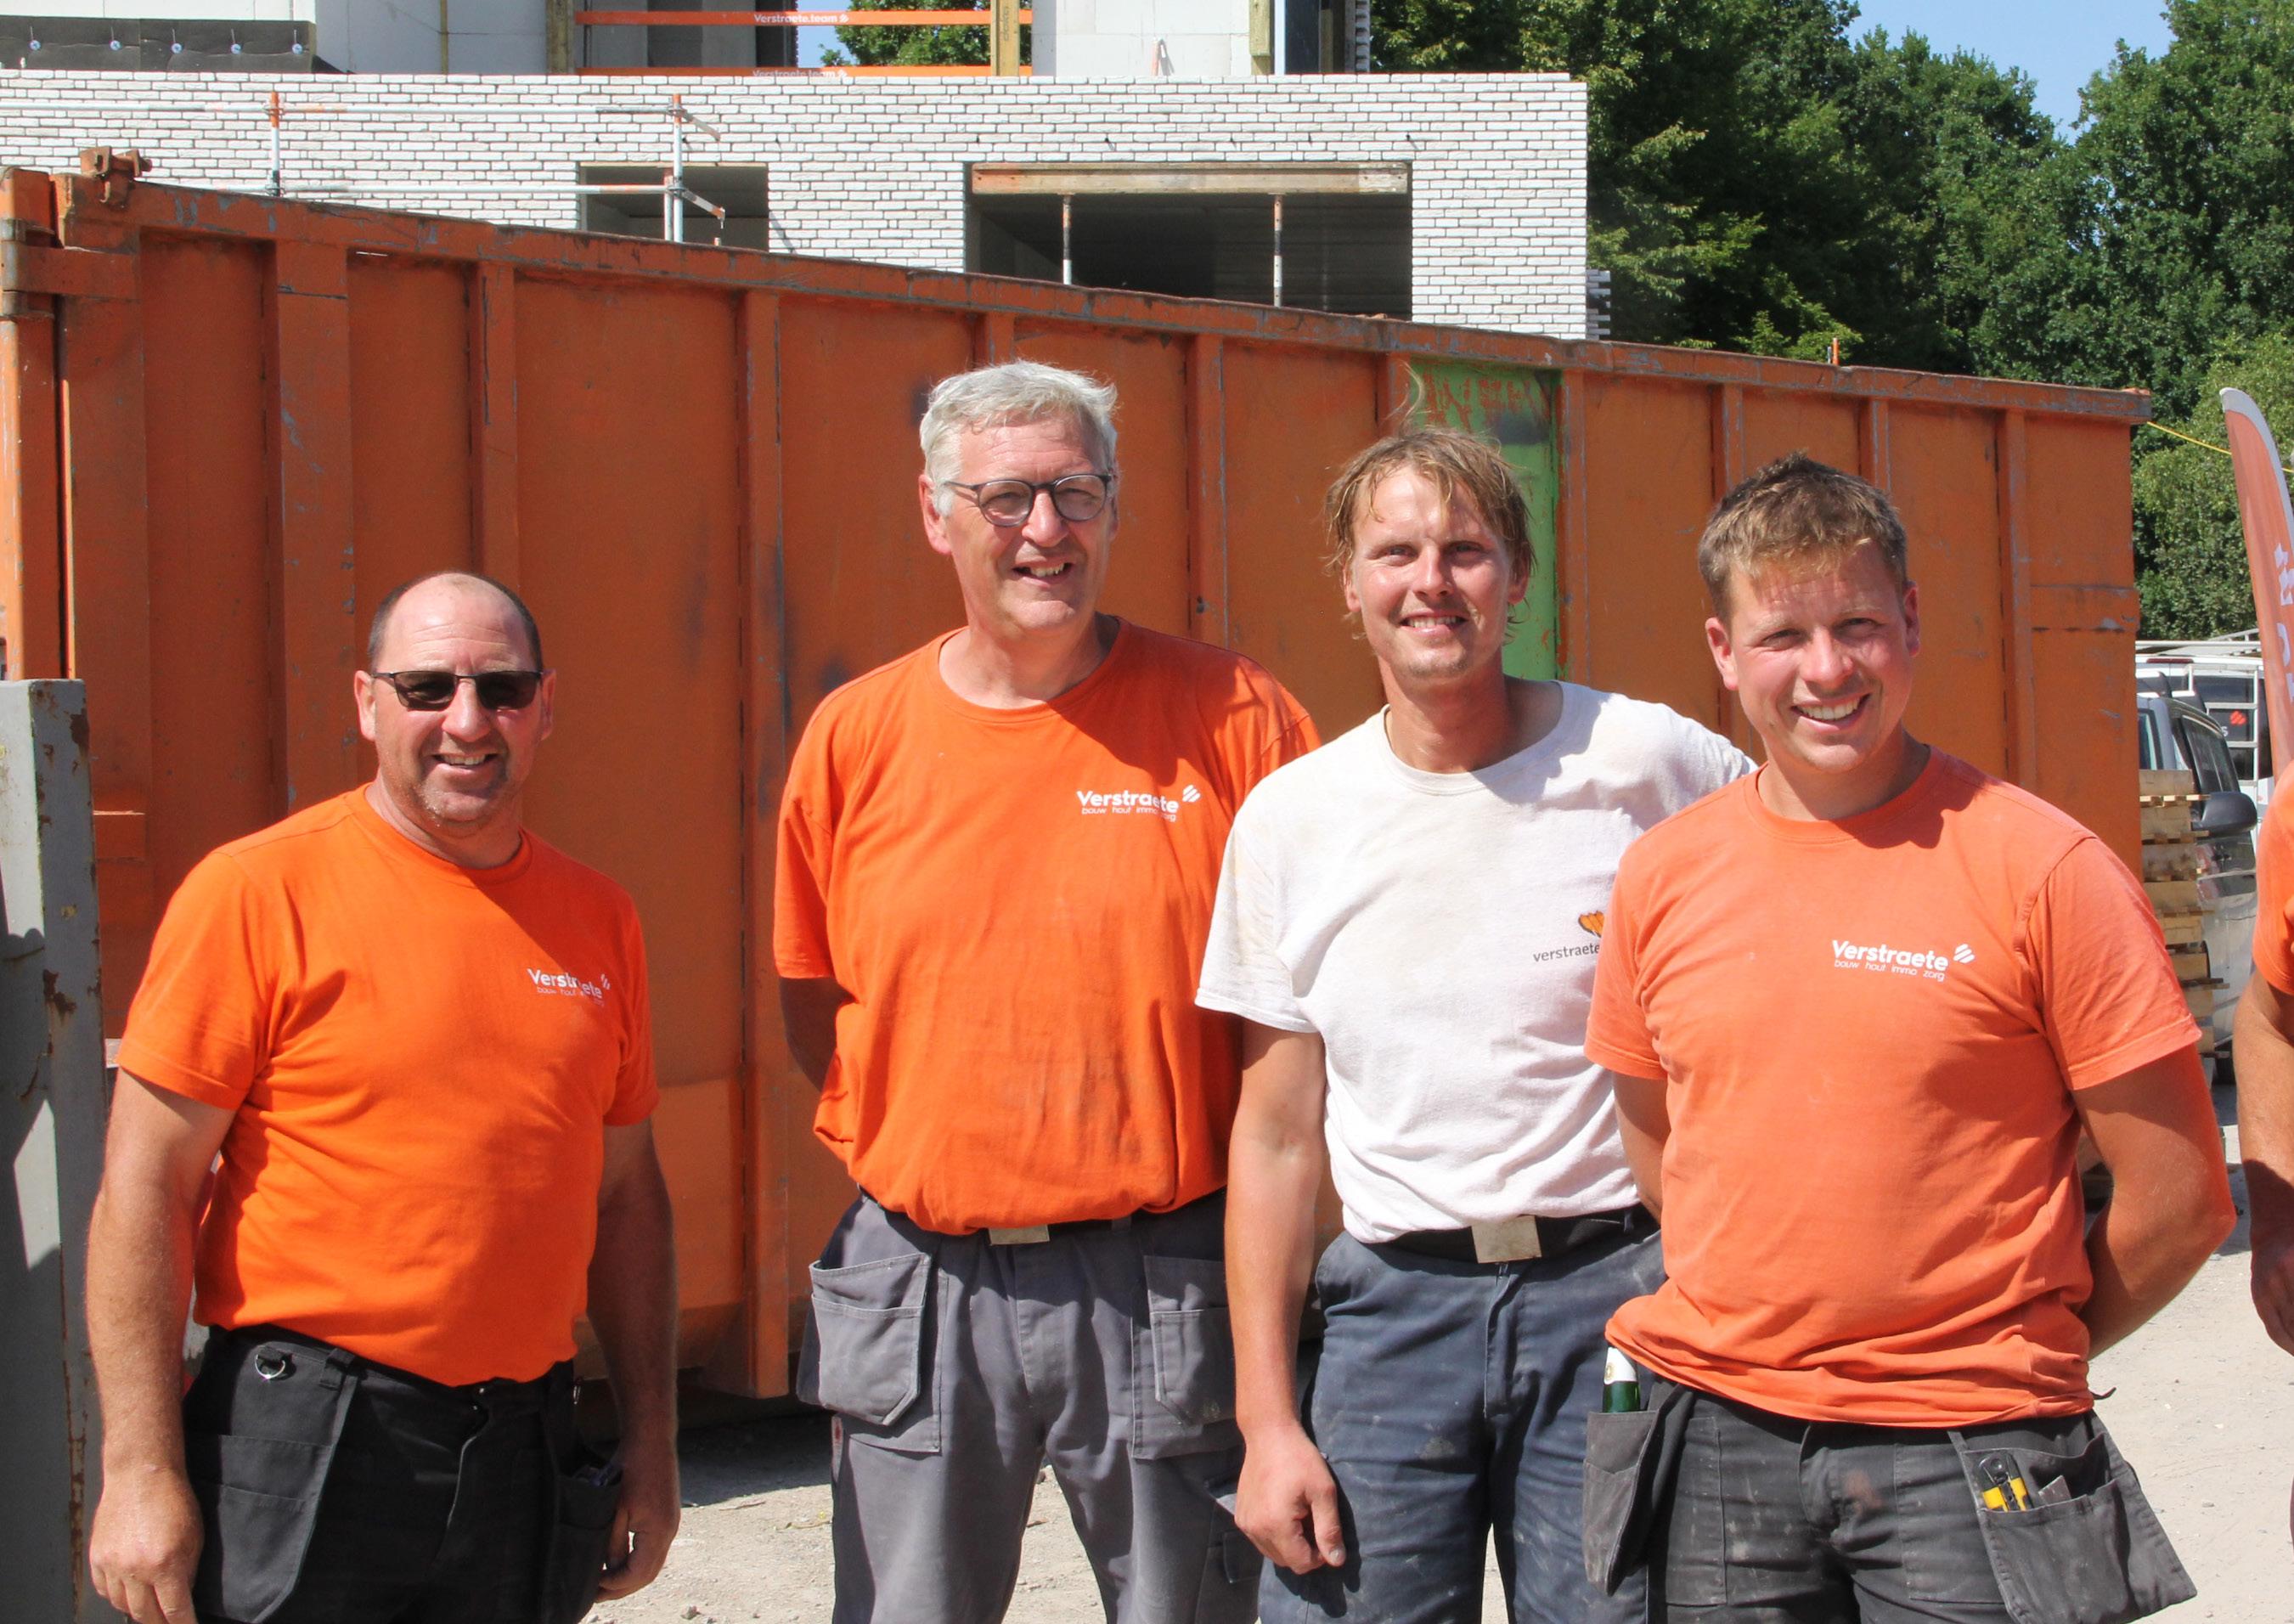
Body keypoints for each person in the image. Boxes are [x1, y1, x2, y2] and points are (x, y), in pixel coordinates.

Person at [1583, 454, 2235, 1620]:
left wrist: (2016, 1346)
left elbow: (2180, 1196)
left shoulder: (2043, 870)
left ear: (1912, 623)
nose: (1826, 669)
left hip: (1971, 1447)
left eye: (1857, 625)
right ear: (1723, 652)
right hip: (1721, 1439)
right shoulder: (1662, 877)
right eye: (1782, 635)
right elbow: (1661, 1147)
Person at [774, 358, 1317, 1624]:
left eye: (1077, 492)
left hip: (1162, 1279)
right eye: (1006, 497)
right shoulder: (855, 738)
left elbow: (1298, 1033)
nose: (1045, 530)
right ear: (935, 512)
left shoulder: (1237, 717)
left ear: (1113, 507)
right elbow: (821, 1007)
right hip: (922, 1287)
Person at [1198, 427, 1750, 1621]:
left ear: (1519, 574)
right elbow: (1276, 1137)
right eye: (1395, 553)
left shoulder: (1647, 762)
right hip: (1391, 1320)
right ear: (1350, 585)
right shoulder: (1293, 823)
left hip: (1616, 1301)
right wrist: (1267, 1422)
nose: (1430, 581)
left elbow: (1802, 909)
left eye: (1465, 549)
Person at [84, 571, 679, 1624]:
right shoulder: (255, 893)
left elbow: (627, 1196)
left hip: (520, 1450)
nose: (467, 721)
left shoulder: (599, 918)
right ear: (367, 703)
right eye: (427, 688)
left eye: (501, 688)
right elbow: (145, 1187)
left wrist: (653, 1443)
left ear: (545, 706)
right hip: (309, 1442)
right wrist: (139, 1470)